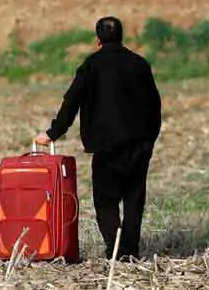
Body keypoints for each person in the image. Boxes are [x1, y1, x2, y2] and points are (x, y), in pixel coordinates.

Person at [35, 17, 162, 261]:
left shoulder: (91, 66)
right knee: (134, 198)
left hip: (106, 146)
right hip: (139, 143)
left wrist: (52, 133)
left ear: (98, 41)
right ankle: (130, 251)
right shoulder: (139, 64)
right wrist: (149, 138)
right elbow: (154, 104)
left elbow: (71, 102)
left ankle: (117, 250)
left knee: (105, 200)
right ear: (121, 38)